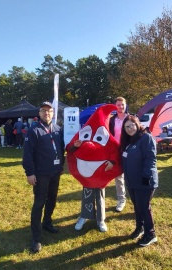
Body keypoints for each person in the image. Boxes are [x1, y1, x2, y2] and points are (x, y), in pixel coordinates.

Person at [22, 101, 65, 253]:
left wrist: (61, 166)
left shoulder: (58, 129)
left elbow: (61, 148)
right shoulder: (33, 131)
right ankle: (36, 237)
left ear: (53, 113)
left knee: (52, 199)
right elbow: (27, 154)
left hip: (55, 172)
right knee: (39, 202)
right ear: (39, 114)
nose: (47, 113)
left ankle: (47, 222)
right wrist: (30, 173)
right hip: (40, 173)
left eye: (49, 111)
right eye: (43, 111)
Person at [120, 115, 159, 247]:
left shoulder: (146, 138)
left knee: (143, 207)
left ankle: (151, 234)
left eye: (131, 125)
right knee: (137, 206)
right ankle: (140, 228)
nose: (129, 128)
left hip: (144, 181)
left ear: (137, 124)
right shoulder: (130, 141)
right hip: (132, 181)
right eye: (126, 127)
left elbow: (151, 158)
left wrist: (146, 176)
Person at [68, 139, 111, 232]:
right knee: (87, 194)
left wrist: (113, 161)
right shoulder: (84, 133)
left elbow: (112, 146)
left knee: (100, 195)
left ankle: (101, 219)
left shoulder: (104, 129)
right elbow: (69, 150)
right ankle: (84, 215)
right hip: (87, 168)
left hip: (100, 167)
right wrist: (75, 147)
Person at [109, 96, 128, 212]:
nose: (120, 107)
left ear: (125, 105)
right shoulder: (112, 119)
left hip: (129, 150)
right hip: (116, 150)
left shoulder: (131, 118)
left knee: (131, 176)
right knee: (119, 177)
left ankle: (137, 200)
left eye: (122, 104)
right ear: (115, 106)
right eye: (118, 105)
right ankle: (121, 200)